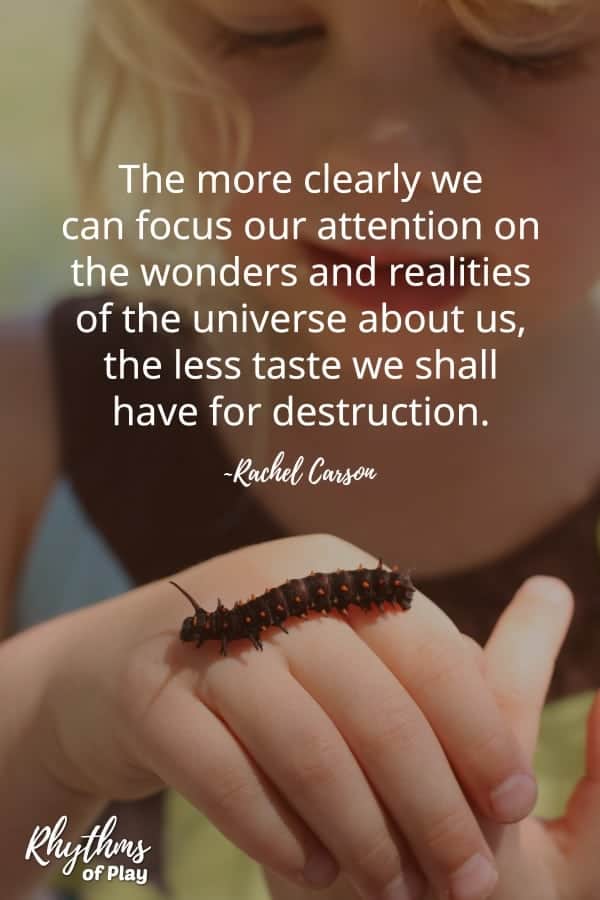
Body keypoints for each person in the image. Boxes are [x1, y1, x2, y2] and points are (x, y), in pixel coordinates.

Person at [1, 1, 599, 899]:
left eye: (523, 50)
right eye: (266, 30)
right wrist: (51, 719)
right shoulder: (32, 424)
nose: (380, 169)